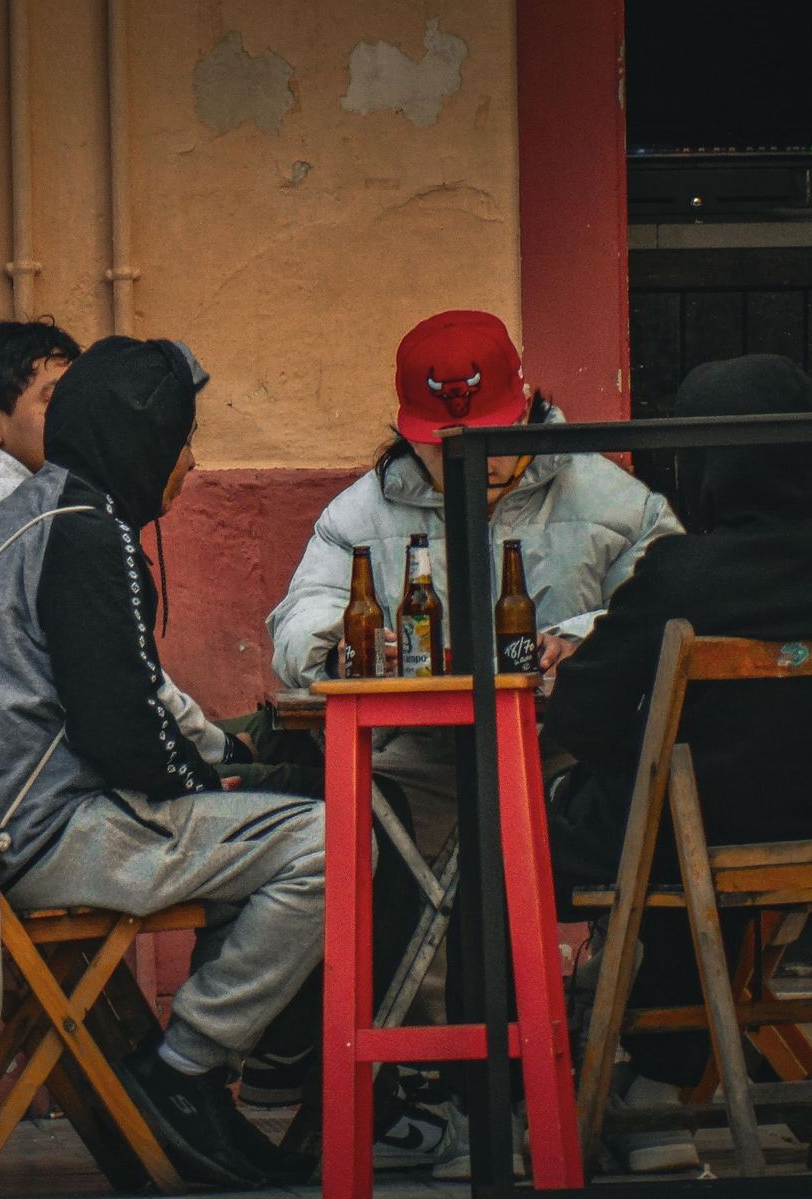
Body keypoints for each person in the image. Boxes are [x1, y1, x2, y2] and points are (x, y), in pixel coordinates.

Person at [260, 309, 681, 1176]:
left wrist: (587, 633)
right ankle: (446, 1091)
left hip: (565, 757)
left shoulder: (610, 494)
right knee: (375, 854)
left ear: (526, 408)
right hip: (422, 763)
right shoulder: (361, 511)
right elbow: (297, 626)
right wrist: (338, 642)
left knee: (653, 836)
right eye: (439, 444)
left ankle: (607, 1074)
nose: (466, 465)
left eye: (485, 441)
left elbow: (673, 588)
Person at [543, 354, 812, 1171]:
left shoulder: (685, 573)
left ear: (705, 464)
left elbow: (579, 717)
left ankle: (530, 1101)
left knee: (605, 829)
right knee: (679, 837)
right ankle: (653, 1098)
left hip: (688, 846)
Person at [0, 332, 322, 1187]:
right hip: (45, 836)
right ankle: (185, 1073)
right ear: (142, 443)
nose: (193, 461)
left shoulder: (35, 509)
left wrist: (215, 780)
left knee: (262, 824)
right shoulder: (89, 533)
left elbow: (120, 706)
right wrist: (214, 785)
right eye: (181, 440)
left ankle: (193, 1083)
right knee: (332, 843)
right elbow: (119, 727)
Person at [0, 315, 248, 765]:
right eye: (54, 400)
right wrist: (225, 749)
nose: (75, 413)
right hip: (4, 782)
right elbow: (112, 675)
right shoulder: (4, 504)